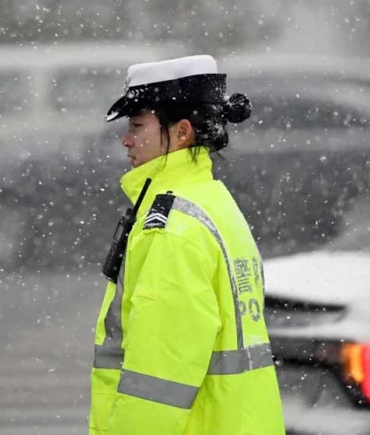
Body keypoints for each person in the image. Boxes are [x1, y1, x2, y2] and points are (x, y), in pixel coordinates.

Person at [89, 55, 285, 434]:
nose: (126, 139)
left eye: (137, 125)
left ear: (181, 133)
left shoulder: (172, 230)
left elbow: (157, 380)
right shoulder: (213, 202)